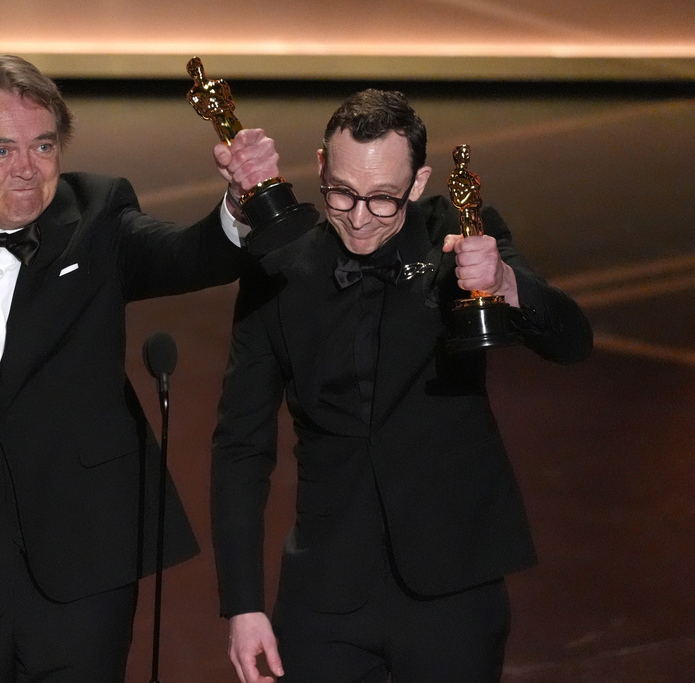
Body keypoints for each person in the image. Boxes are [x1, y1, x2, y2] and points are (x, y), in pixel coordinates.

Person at [0, 54, 295, 683]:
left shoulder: (97, 216)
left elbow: (186, 254)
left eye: (43, 146)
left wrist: (238, 207)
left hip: (84, 574)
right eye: (1, 149)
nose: (27, 170)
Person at [211, 89, 593, 683]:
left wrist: (508, 284)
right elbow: (240, 445)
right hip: (325, 591)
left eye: (383, 199)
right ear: (319, 167)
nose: (359, 217)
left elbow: (572, 343)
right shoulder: (278, 268)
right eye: (341, 192)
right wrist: (242, 603)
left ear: (417, 184)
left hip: (454, 586)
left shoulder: (462, 237)